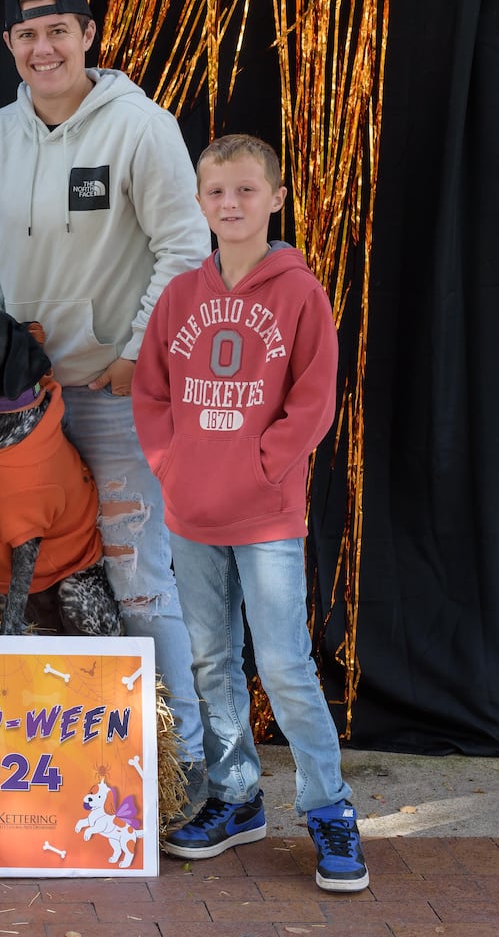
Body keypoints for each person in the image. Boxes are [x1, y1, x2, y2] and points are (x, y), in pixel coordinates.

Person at [0, 0, 210, 816]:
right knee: (32, 573)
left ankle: (186, 773)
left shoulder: (142, 127)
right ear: (9, 47)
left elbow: (183, 248)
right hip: (15, 407)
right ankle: (73, 770)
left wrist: (137, 355)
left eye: (57, 29)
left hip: (108, 393)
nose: (43, 47)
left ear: (88, 34)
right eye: (26, 36)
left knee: (137, 578)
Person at [132, 133, 365, 891]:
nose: (229, 204)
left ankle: (329, 808)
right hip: (190, 514)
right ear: (200, 202)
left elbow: (314, 400)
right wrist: (174, 466)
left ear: (275, 199)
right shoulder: (180, 296)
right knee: (209, 662)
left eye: (244, 191)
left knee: (285, 666)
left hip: (265, 518)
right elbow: (153, 392)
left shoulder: (300, 292)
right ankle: (236, 799)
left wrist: (264, 467)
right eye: (215, 193)